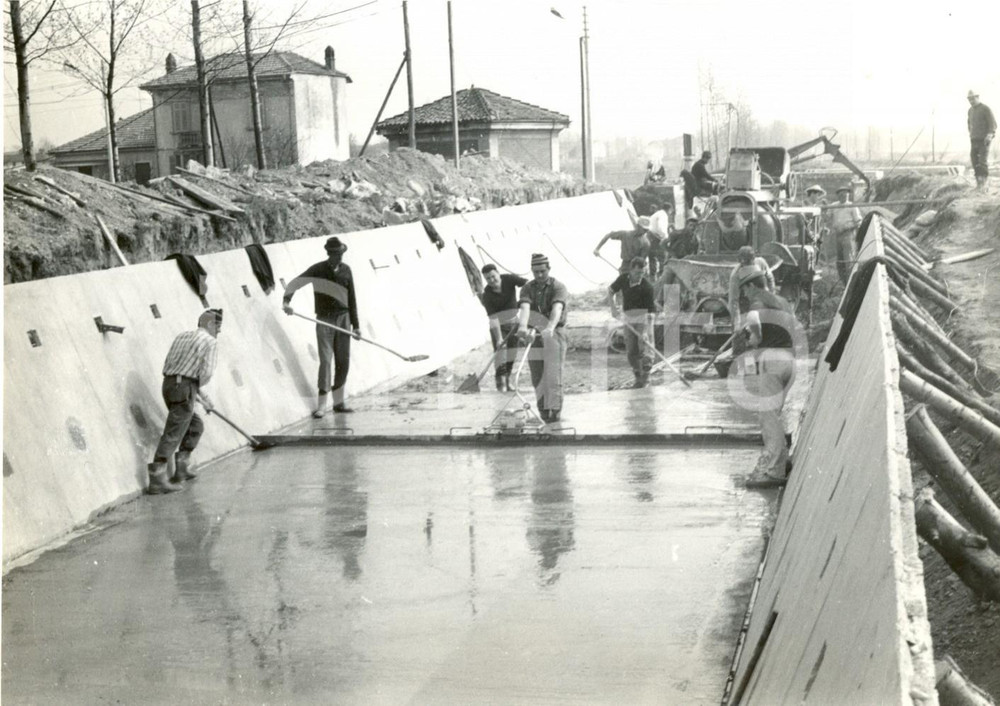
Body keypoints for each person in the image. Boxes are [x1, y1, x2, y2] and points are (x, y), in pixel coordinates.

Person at [146, 308, 222, 495]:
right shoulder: (210, 342)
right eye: (218, 327)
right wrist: (196, 392)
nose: (219, 331)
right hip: (185, 387)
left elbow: (177, 369)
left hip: (169, 384)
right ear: (211, 324)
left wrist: (203, 398)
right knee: (174, 432)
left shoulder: (182, 336)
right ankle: (157, 480)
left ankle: (182, 468)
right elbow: (205, 373)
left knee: (195, 425)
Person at [282, 236, 360, 417]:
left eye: (341, 254)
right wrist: (286, 302)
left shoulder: (347, 271)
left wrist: (356, 326)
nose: (340, 257)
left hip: (344, 318)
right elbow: (295, 283)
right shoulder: (318, 269)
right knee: (325, 361)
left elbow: (352, 299)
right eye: (336, 254)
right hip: (324, 320)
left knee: (343, 361)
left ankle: (338, 403)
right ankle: (322, 405)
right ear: (329, 254)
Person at [732, 271, 796, 488]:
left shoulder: (757, 303)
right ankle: (783, 460)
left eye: (745, 291)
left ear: (751, 287)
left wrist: (755, 338)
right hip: (790, 361)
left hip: (773, 363)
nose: (745, 296)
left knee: (767, 417)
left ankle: (774, 472)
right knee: (775, 415)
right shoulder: (782, 301)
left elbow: (753, 322)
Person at [516, 253, 569, 422]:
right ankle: (543, 414)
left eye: (542, 271)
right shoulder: (527, 288)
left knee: (553, 377)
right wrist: (523, 327)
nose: (539, 275)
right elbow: (525, 308)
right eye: (535, 272)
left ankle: (555, 414)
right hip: (534, 334)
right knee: (537, 376)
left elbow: (557, 308)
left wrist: (551, 327)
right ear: (531, 271)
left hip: (555, 332)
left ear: (549, 269)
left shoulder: (558, 287)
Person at [609, 257, 658, 388]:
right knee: (631, 350)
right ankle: (638, 378)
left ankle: (646, 379)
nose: (639, 276)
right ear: (631, 270)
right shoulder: (623, 279)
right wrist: (613, 308)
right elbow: (610, 290)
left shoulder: (647, 287)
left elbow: (651, 311)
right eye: (637, 273)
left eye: (642, 273)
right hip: (628, 316)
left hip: (644, 316)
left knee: (645, 348)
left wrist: (646, 331)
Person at [479, 264, 527, 391]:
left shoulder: (509, 280)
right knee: (501, 357)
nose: (492, 280)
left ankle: (508, 381)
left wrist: (524, 299)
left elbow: (527, 284)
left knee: (512, 354)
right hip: (499, 327)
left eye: (493, 276)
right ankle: (501, 386)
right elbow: (493, 319)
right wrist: (499, 339)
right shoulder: (487, 295)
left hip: (514, 324)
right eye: (488, 278)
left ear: (498, 273)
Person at [728, 246, 775, 329]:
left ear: (753, 259)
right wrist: (737, 324)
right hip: (744, 301)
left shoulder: (761, 262)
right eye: (742, 263)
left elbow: (770, 278)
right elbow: (733, 300)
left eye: (747, 262)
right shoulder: (735, 275)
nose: (745, 264)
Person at [823, 186, 862, 285]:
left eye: (845, 194)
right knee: (840, 262)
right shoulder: (834, 205)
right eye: (840, 195)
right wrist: (824, 208)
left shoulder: (852, 206)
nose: (843, 196)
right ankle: (845, 283)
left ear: (848, 195)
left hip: (848, 235)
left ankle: (851, 284)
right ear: (838, 196)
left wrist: (847, 228)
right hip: (838, 236)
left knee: (848, 261)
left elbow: (858, 222)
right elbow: (827, 216)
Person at [967, 90, 996, 191]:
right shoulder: (970, 110)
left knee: (982, 161)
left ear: (977, 97)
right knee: (974, 160)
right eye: (969, 99)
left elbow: (992, 123)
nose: (971, 101)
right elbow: (969, 124)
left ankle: (983, 184)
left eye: (973, 98)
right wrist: (971, 134)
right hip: (974, 139)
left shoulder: (985, 109)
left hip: (984, 140)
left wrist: (990, 134)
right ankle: (978, 183)